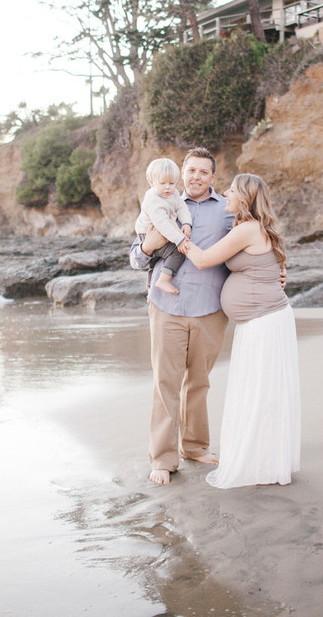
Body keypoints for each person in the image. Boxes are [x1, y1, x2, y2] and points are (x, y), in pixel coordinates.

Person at [179, 173, 300, 489]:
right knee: (264, 392)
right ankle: (268, 462)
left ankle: (261, 463)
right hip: (264, 321)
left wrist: (176, 238)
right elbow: (273, 266)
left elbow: (204, 259)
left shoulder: (247, 229)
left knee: (261, 393)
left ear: (244, 198)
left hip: (264, 321)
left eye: (230, 190)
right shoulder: (251, 228)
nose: (225, 194)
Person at [130, 147, 234, 485]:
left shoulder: (228, 212)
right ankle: (162, 458)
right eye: (190, 170)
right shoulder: (161, 202)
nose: (196, 177)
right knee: (165, 384)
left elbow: (252, 244)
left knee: (199, 382)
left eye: (203, 172)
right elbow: (136, 257)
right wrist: (148, 246)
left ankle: (195, 446)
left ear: (213, 177)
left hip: (210, 308)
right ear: (181, 172)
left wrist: (276, 272)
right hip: (166, 308)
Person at [134, 158, 192, 295]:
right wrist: (180, 240)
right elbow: (163, 224)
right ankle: (164, 280)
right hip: (148, 233)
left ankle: (150, 291)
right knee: (177, 252)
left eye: (172, 183)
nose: (168, 187)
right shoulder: (153, 200)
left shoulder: (173, 193)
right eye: (163, 183)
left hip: (162, 229)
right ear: (151, 182)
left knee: (155, 262)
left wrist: (186, 223)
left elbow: (181, 207)